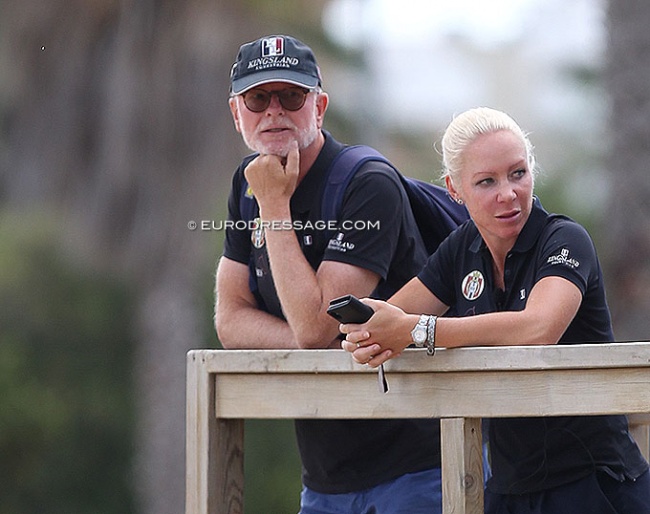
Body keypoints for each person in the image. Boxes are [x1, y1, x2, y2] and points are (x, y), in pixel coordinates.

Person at [340, 107, 650, 514]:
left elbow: (539, 328)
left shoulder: (564, 238)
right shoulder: (461, 247)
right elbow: (395, 315)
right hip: (509, 487)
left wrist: (418, 332)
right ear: (455, 189)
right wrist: (367, 333)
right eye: (486, 181)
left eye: (518, 173)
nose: (508, 193)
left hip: (594, 481)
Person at [214, 34, 445, 513]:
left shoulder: (367, 182)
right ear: (237, 113)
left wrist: (274, 206)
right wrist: (307, 340)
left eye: (291, 96)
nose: (274, 111)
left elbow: (319, 328)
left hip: (421, 468)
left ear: (318, 106)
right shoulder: (248, 183)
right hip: (325, 480)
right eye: (258, 98)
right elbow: (230, 319)